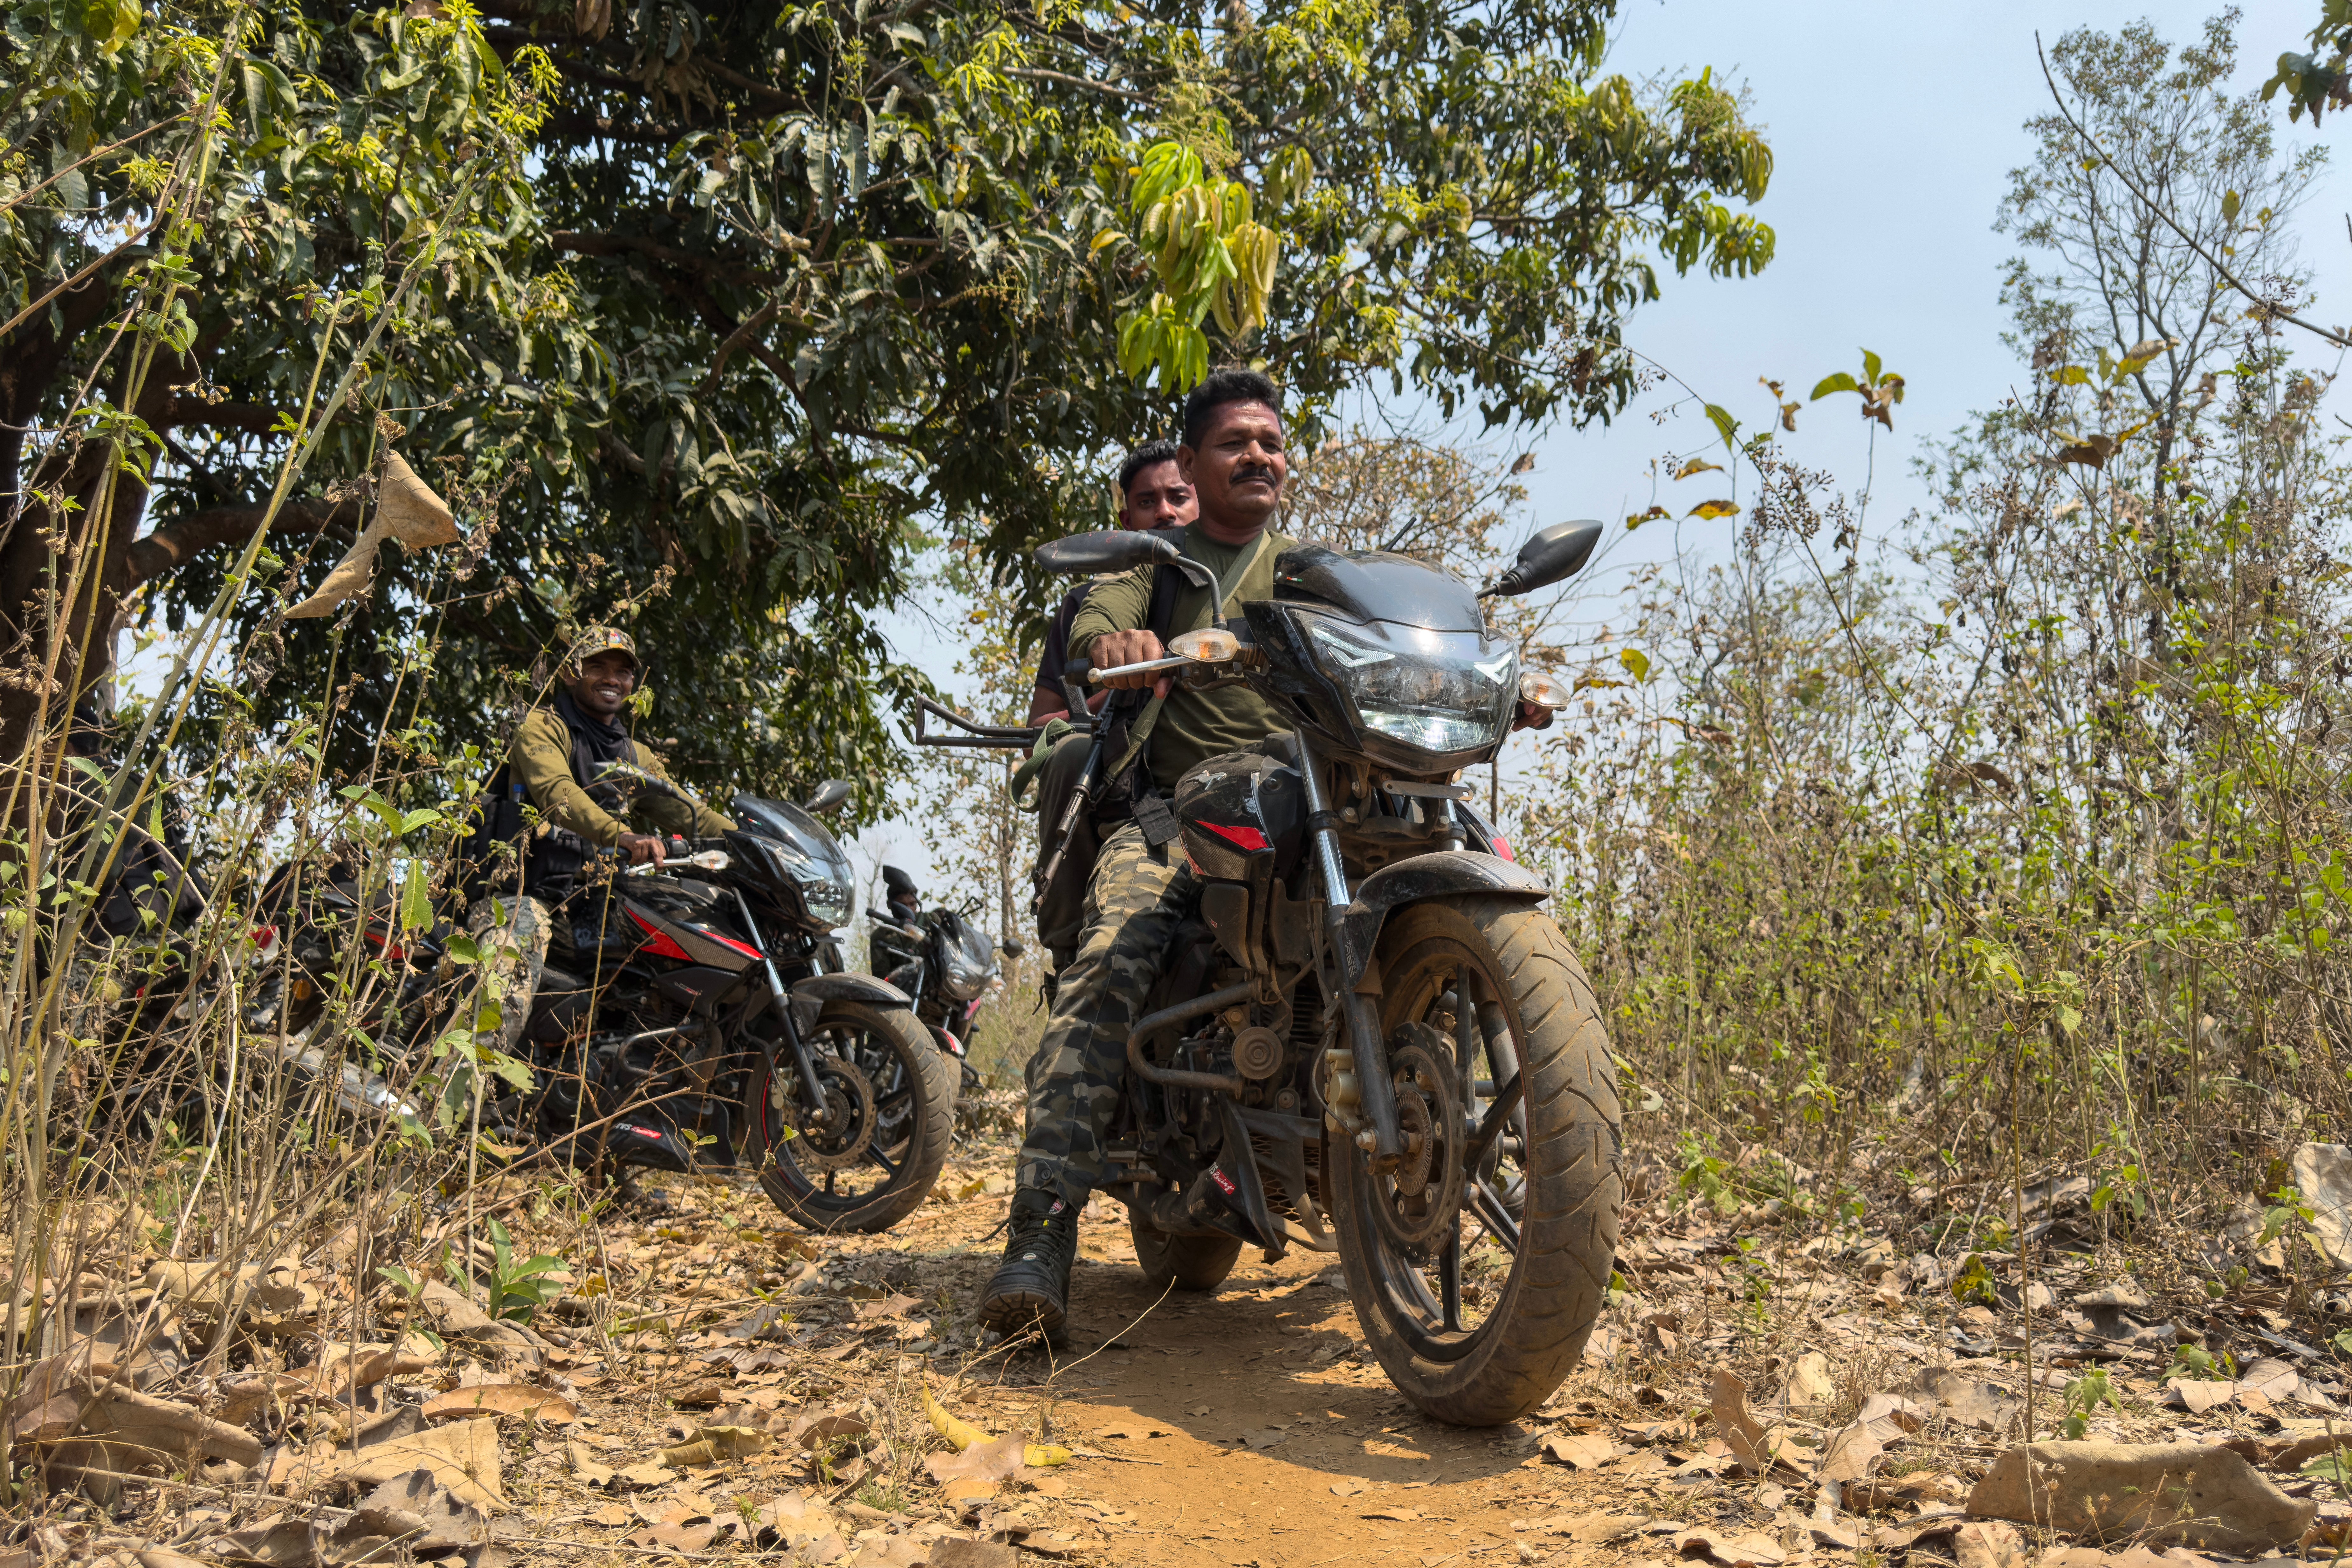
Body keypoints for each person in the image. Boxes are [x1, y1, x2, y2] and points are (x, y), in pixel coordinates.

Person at [979, 369, 1297, 1341]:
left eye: (1271, 442)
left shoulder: (1314, 574)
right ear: (1196, 468)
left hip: (1309, 816)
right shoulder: (1163, 566)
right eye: (1236, 442)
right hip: (1182, 818)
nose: (1258, 456)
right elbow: (1092, 618)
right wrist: (1118, 641)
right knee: (1107, 965)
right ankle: (1038, 1241)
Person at [463, 627, 734, 1057]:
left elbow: (689, 813)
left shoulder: (634, 755)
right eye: (598, 667)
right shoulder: (541, 726)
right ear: (571, 674)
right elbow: (558, 794)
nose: (612, 679)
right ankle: (455, 1104)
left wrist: (758, 842)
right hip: (523, 896)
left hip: (590, 907)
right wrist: (622, 835)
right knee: (506, 984)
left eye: (623, 672)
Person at [1026, 441, 1198, 725]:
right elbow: (1035, 736)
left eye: (1178, 498)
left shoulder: (1221, 593)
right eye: (1147, 502)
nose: (1164, 512)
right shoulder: (1081, 602)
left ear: (1202, 506)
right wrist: (1117, 692)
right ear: (1127, 522)